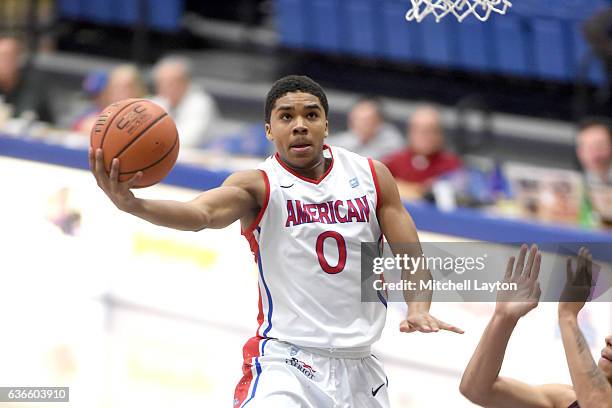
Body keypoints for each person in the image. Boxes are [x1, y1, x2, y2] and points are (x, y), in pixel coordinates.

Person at [89, 75, 463, 407]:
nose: (299, 126)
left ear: (327, 125)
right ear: (269, 130)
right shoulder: (258, 185)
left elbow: (410, 253)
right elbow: (201, 214)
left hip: (360, 367)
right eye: (286, 117)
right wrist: (135, 205)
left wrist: (417, 306)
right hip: (286, 363)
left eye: (311, 115)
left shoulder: (371, 175)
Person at [460, 245, 612, 408]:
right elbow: (476, 390)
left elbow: (597, 402)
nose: (609, 339)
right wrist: (503, 318)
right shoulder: (565, 398)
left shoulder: (594, 400)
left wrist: (567, 315)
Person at [382, 105, 462, 199]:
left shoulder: (452, 165)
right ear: (410, 133)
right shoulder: (394, 160)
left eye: (431, 130)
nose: (425, 136)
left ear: (440, 134)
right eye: (419, 130)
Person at [151, 56, 219, 148]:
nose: (165, 87)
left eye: (171, 83)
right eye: (161, 83)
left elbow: (188, 140)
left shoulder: (201, 103)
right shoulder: (156, 103)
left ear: (186, 82)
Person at [0, 35, 53, 122]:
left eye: (11, 56)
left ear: (19, 58)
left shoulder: (33, 83)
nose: (6, 61)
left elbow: (26, 112)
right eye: (2, 57)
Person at [330, 97, 403, 159]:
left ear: (379, 122)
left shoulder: (392, 143)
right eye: (355, 119)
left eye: (365, 121)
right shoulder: (345, 139)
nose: (359, 125)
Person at [70, 69, 109, 134]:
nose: (95, 100)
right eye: (91, 96)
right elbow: (75, 126)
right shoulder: (89, 111)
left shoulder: (115, 111)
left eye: (97, 95)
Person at [576, 117, 612, 186]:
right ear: (580, 152)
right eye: (589, 148)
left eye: (600, 146)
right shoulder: (577, 184)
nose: (595, 153)